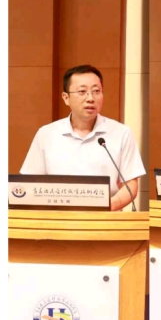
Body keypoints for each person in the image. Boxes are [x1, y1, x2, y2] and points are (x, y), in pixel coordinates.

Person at [20, 65, 146, 211]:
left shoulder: (121, 133)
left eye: (96, 91)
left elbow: (130, 185)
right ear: (66, 98)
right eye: (82, 92)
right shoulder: (46, 134)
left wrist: (105, 207)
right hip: (57, 219)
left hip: (106, 219)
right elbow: (30, 183)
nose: (90, 98)